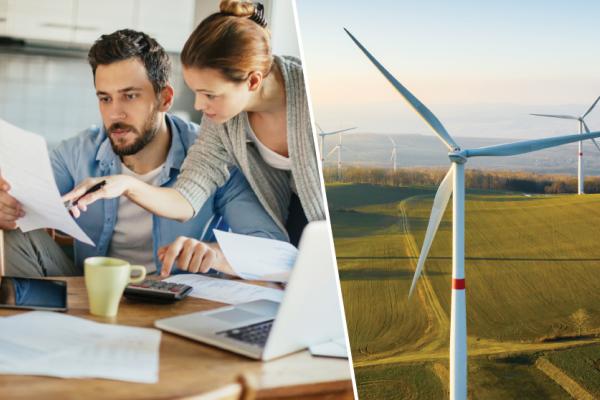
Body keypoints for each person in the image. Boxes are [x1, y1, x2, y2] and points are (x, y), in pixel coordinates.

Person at [0, 29, 285, 278]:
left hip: (176, 299)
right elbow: (23, 202)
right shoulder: (76, 152)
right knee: (10, 232)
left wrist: (214, 254)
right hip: (90, 292)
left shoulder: (213, 157)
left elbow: (275, 252)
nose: (115, 113)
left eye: (130, 95)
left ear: (165, 98)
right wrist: (7, 205)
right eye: (105, 98)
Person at [65, 0, 326, 253]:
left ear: (253, 81)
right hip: (299, 220)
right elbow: (187, 197)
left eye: (210, 94)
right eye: (196, 93)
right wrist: (127, 185)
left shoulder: (314, 92)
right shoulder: (222, 121)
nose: (200, 105)